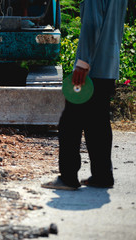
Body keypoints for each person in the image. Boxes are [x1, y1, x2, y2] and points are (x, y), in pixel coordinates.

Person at [42, 0, 129, 190]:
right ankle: (102, 176)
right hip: (108, 65)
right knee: (97, 122)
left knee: (70, 122)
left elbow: (92, 23)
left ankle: (68, 177)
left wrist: (83, 62)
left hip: (91, 68)